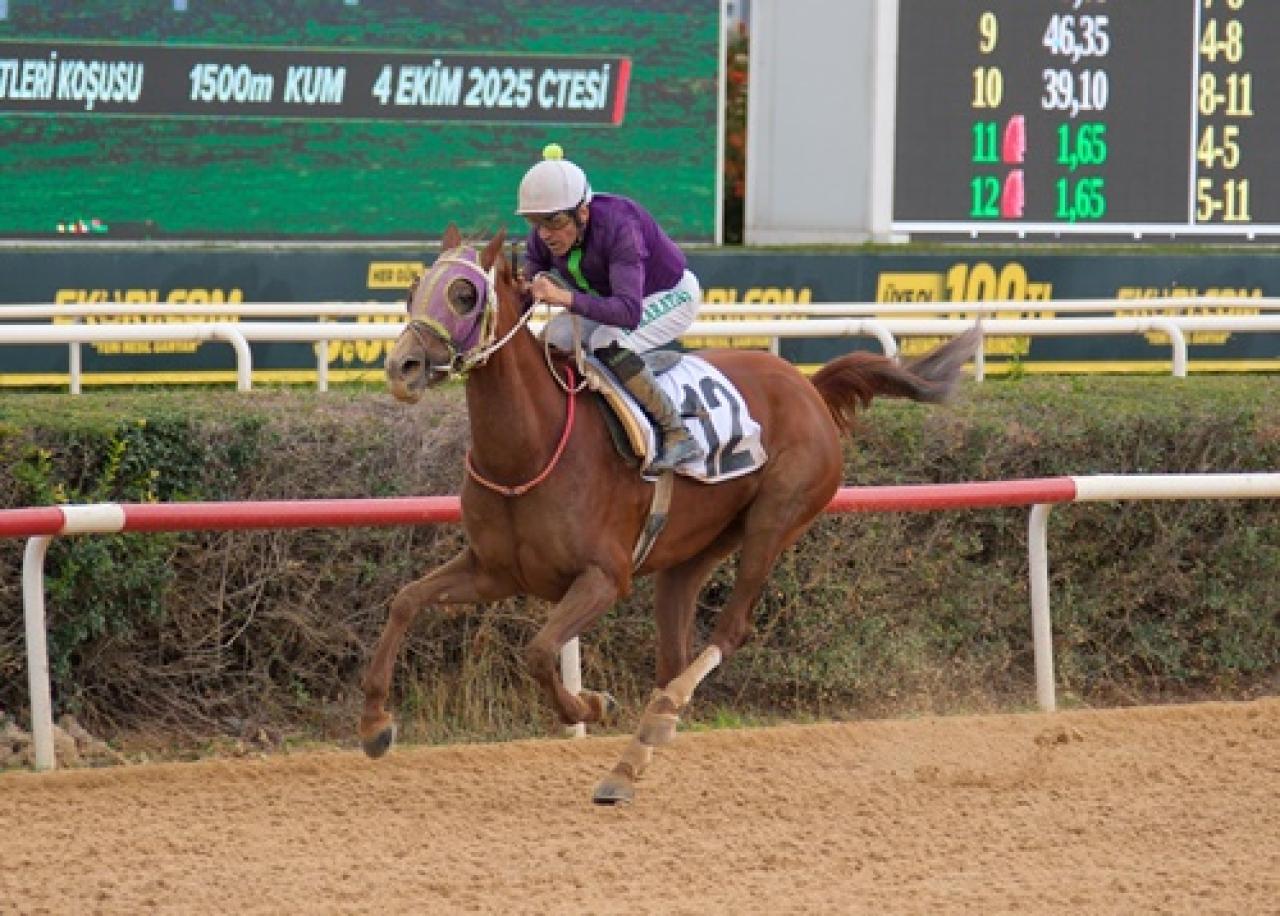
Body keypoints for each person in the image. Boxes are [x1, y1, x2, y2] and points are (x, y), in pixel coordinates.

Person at [516, 143, 705, 473]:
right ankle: (632, 374)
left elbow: (628, 312)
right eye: (535, 222)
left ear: (583, 213)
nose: (545, 233)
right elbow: (529, 280)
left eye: (554, 222)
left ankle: (676, 432)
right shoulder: (544, 236)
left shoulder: (621, 227)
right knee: (552, 340)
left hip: (669, 296)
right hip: (610, 302)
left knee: (608, 342)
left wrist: (566, 299)